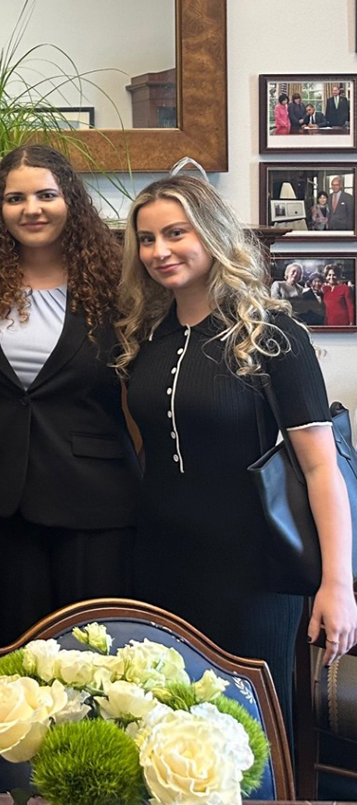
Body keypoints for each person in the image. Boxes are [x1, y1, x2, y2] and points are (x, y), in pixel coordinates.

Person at [116, 174, 357, 726]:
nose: (159, 251)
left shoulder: (272, 334)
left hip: (253, 569)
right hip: (158, 559)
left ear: (212, 233)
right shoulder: (144, 334)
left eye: (176, 233)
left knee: (250, 733)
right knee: (166, 725)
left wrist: (337, 584)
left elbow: (322, 468)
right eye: (147, 239)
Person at [0, 145, 139, 647]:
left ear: (70, 199)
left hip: (93, 501)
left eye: (46, 195)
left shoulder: (115, 282)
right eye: (15, 198)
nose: (32, 209)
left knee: (96, 660)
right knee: (12, 654)